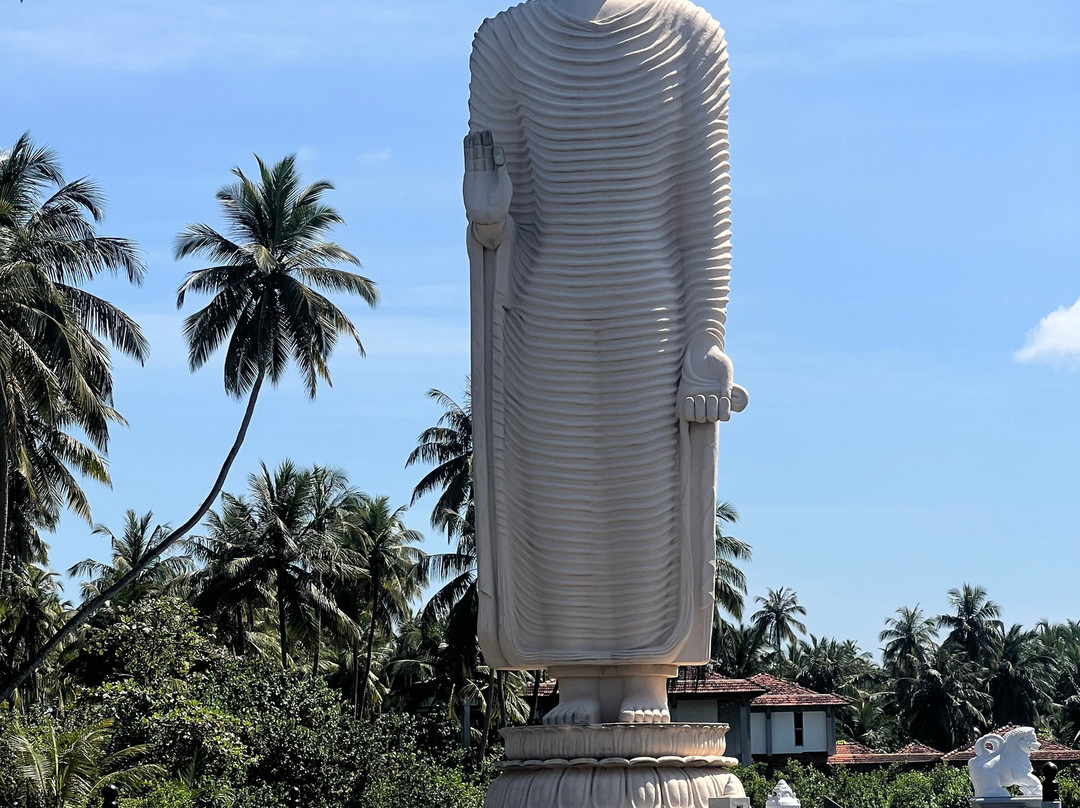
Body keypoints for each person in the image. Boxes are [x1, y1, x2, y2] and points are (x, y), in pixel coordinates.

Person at [465, 0, 746, 725]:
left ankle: (647, 672)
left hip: (648, 299)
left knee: (644, 491)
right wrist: (489, 222)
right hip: (546, 299)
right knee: (558, 491)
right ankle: (578, 677)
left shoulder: (689, 36)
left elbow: (703, 205)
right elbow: (506, 200)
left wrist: (706, 334)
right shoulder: (505, 40)